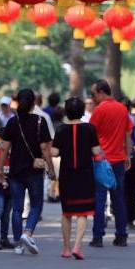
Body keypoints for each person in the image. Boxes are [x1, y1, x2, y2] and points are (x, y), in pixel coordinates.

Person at [0, 89, 55, 255]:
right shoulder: (40, 121)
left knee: (17, 208)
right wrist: (51, 169)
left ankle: (18, 244)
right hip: (34, 171)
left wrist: (1, 169)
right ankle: (27, 232)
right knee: (36, 205)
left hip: (16, 170)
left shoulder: (12, 122)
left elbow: (5, 149)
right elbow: (45, 148)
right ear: (34, 103)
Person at [52, 97, 100, 260]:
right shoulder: (90, 128)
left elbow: (54, 152)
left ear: (66, 111)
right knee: (83, 212)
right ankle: (77, 247)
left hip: (66, 174)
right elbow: (96, 151)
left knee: (67, 213)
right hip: (85, 174)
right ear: (81, 111)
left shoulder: (60, 130)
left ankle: (66, 248)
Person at [89, 79, 133, 248]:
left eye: (93, 94)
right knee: (118, 199)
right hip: (118, 160)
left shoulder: (99, 110)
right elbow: (127, 134)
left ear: (101, 92)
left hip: (101, 161)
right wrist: (127, 155)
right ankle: (121, 236)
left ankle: (98, 237)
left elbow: (91, 135)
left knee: (99, 199)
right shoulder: (122, 109)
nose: (93, 98)